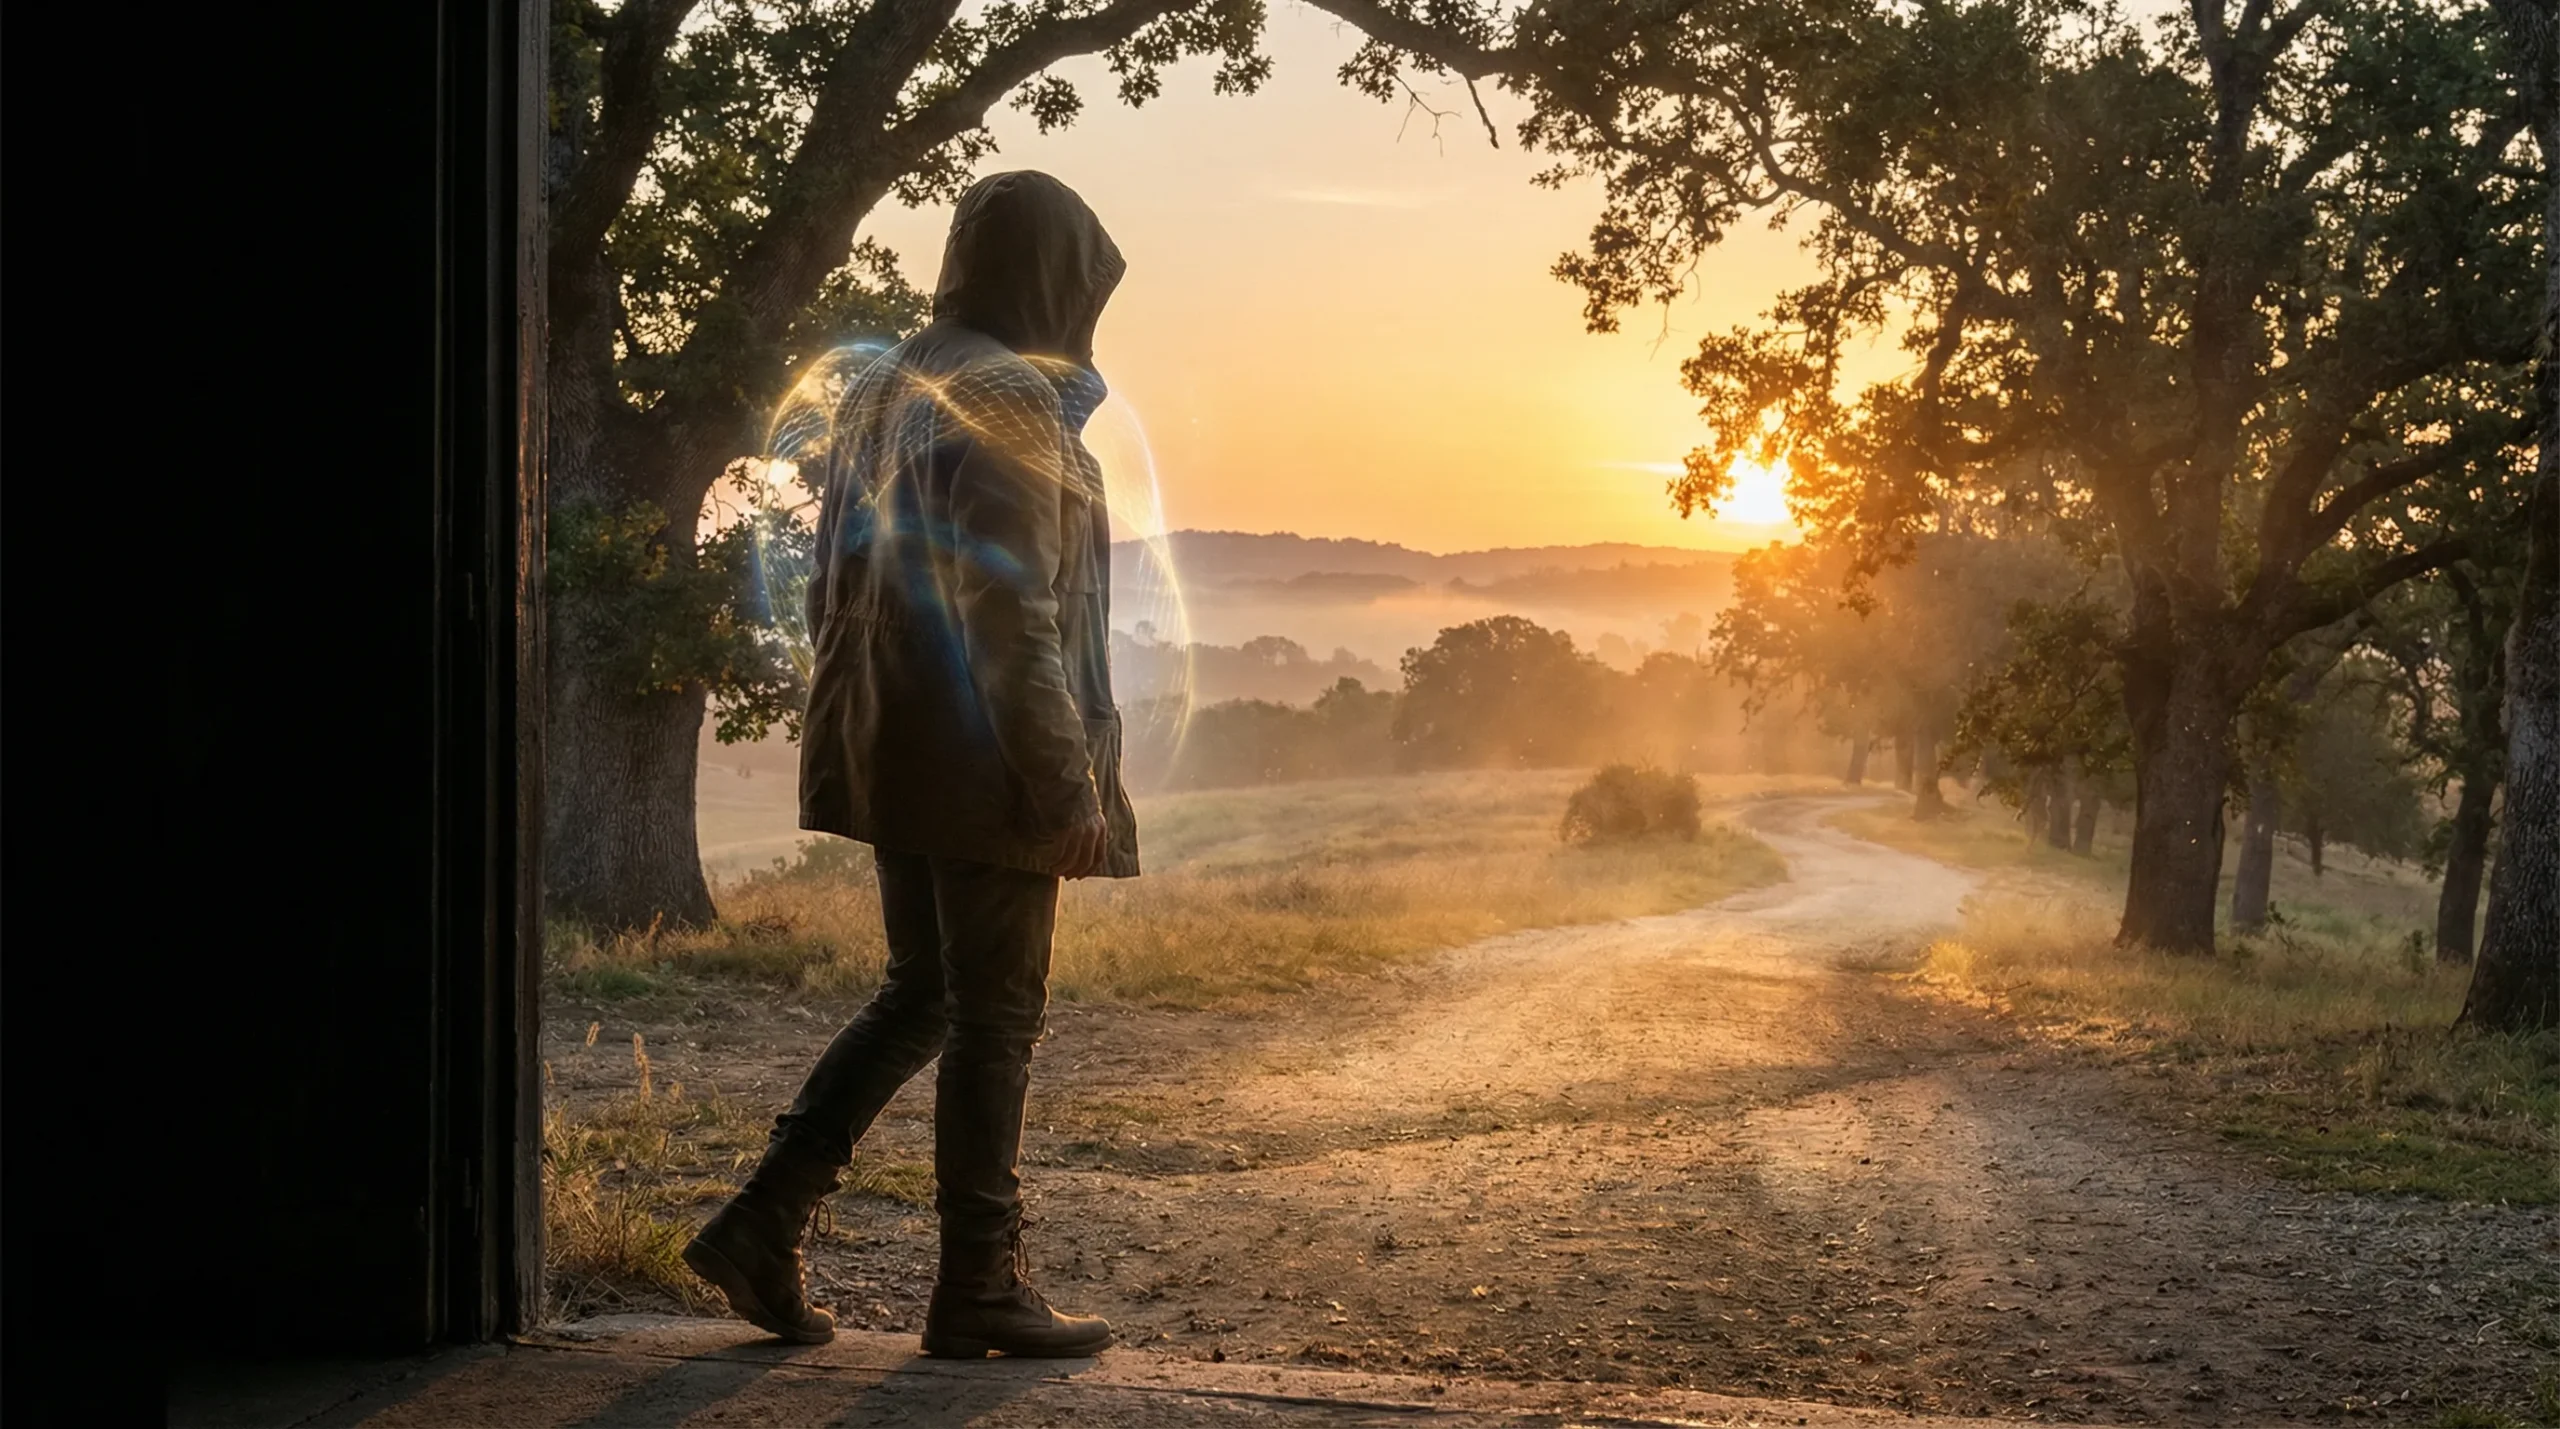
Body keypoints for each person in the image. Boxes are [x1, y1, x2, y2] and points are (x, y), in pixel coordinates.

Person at [683, 170, 1140, 1358]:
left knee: (921, 994)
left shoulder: (891, 384)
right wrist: (1064, 777)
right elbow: (1010, 607)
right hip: (983, 758)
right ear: (1055, 278)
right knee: (995, 1018)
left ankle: (760, 1220)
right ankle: (980, 1283)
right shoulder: (1010, 400)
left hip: (894, 742)